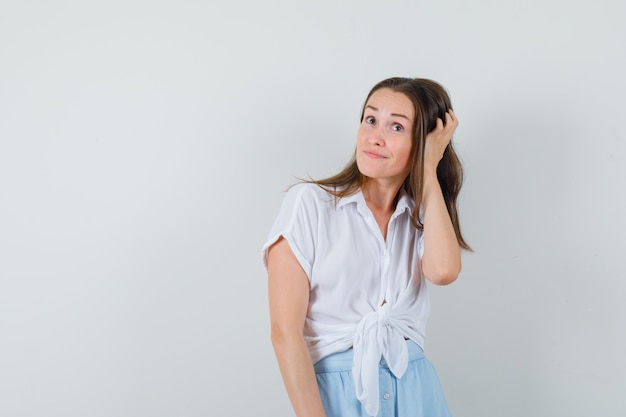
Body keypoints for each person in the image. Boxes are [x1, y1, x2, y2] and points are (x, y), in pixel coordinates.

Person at [262, 77, 471, 417]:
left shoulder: (420, 217)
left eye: (397, 127)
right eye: (370, 119)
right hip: (337, 393)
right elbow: (285, 334)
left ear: (424, 144)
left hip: (417, 391)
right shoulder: (310, 205)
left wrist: (428, 170)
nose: (375, 136)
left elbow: (444, 271)